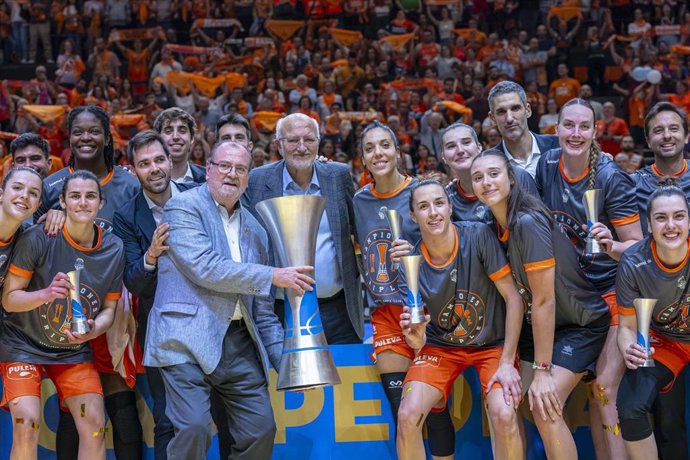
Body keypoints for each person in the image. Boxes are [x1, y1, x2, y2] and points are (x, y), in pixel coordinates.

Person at [143, 140, 314, 460]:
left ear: (248, 177)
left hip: (238, 342)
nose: (231, 174)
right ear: (207, 170)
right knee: (193, 428)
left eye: (240, 169)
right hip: (184, 337)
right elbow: (205, 268)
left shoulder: (257, 229)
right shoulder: (183, 207)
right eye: (224, 166)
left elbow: (263, 312)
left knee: (261, 429)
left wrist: (288, 367)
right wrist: (273, 275)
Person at [471, 149, 611, 459]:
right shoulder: (490, 224)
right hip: (542, 329)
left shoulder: (527, 221)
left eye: (494, 174)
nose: (486, 182)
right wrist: (506, 362)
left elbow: (544, 300)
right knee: (515, 400)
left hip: (579, 324)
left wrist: (543, 371)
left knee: (544, 405)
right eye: (478, 177)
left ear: (511, 178)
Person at [535, 98, 643, 460]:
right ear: (557, 129)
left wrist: (612, 244)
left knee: (604, 390)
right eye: (569, 125)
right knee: (550, 396)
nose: (575, 133)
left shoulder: (611, 176)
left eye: (584, 126)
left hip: (611, 292)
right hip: (569, 299)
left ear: (596, 131)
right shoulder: (546, 165)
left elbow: (638, 250)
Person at [35, 105, 141, 460]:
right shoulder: (51, 187)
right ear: (68, 138)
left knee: (121, 403)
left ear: (108, 137)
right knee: (74, 406)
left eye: (93, 131)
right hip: (65, 310)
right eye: (77, 132)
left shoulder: (129, 183)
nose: (85, 138)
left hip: (116, 307)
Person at [0, 170, 125, 460]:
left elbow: (109, 310)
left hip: (72, 350)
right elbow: (8, 300)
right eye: (75, 196)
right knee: (26, 422)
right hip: (22, 345)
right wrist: (45, 294)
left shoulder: (114, 248)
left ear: (101, 203)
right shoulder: (38, 237)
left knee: (95, 426)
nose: (83, 202)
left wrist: (95, 329)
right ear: (62, 202)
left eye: (90, 196)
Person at [396, 179, 524, 460]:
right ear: (413, 216)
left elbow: (513, 298)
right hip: (441, 348)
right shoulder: (411, 263)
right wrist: (415, 337)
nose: (433, 212)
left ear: (450, 206)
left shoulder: (477, 235)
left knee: (504, 414)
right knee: (407, 417)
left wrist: (506, 361)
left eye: (439, 203)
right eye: (423, 206)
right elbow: (418, 340)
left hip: (492, 345)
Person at [352, 121, 455, 459]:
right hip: (385, 314)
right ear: (362, 159)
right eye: (369, 148)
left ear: (398, 151)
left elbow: (447, 248)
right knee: (403, 414)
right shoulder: (360, 200)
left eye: (385, 145)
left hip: (426, 312)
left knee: (436, 408)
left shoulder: (420, 194)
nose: (378, 153)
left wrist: (412, 252)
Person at [112, 131, 198, 459]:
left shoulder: (199, 194)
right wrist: (150, 256)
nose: (155, 168)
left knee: (217, 416)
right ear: (133, 170)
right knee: (168, 419)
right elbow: (134, 282)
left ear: (170, 160)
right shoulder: (126, 216)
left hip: (212, 319)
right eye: (144, 163)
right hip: (162, 327)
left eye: (159, 160)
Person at [244, 113, 363, 344]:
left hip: (338, 309)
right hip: (279, 310)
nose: (301, 147)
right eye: (292, 140)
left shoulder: (338, 175)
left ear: (318, 142)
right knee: (289, 378)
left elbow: (358, 227)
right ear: (278, 145)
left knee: (344, 376)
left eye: (309, 140)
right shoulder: (257, 180)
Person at [630, 102, 690, 460]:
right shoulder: (634, 183)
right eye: (658, 130)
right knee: (665, 417)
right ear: (648, 139)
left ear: (685, 134)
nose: (666, 135)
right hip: (658, 316)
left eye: (673, 128)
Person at [616, 180, 690, 460]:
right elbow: (626, 328)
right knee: (630, 405)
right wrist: (627, 347)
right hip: (664, 343)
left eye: (679, 216)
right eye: (661, 218)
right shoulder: (634, 262)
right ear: (649, 226)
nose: (670, 225)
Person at [441, 121, 537, 225]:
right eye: (451, 146)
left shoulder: (516, 176)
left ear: (479, 147)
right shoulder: (446, 199)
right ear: (444, 157)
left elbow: (539, 224)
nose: (460, 150)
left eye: (466, 142)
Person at [488, 81, 559, 178]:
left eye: (515, 108)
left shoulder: (556, 146)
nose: (509, 118)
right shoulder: (489, 163)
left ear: (528, 110)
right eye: (501, 112)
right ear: (492, 118)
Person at [153, 108, 206, 184]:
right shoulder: (143, 180)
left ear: (191, 138)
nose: (175, 137)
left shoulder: (209, 177)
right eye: (168, 131)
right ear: (158, 139)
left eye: (182, 131)